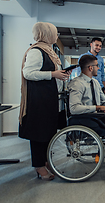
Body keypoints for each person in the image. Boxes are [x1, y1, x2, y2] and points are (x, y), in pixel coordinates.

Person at [19, 22, 71, 181]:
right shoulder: (36, 51)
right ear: (46, 34)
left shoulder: (49, 51)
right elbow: (28, 73)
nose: (57, 36)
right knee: (38, 134)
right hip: (39, 101)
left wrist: (60, 75)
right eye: (55, 33)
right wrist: (53, 74)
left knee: (48, 133)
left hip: (49, 100)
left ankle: (45, 161)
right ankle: (39, 166)